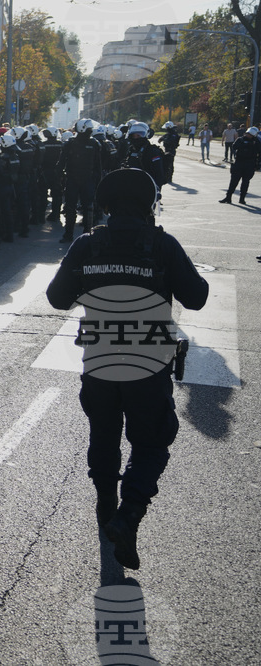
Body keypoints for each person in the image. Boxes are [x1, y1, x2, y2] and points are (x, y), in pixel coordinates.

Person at [46, 168, 209, 570]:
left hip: (99, 363)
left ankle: (108, 515)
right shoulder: (162, 245)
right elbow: (199, 297)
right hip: (148, 365)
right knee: (152, 443)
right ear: (149, 204)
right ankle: (129, 513)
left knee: (103, 440)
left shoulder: (88, 245)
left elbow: (56, 298)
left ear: (105, 204)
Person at [58, 118, 102, 243]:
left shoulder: (93, 144)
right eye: (89, 129)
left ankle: (85, 235)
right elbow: (61, 163)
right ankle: (71, 234)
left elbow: (98, 165)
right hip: (76, 179)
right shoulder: (71, 143)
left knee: (86, 208)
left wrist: (98, 180)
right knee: (72, 208)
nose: (90, 131)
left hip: (83, 179)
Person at [220, 126, 261, 204]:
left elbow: (259, 153)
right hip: (239, 163)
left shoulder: (256, 142)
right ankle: (228, 197)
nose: (248, 135)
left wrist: (258, 165)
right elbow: (234, 147)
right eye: (247, 134)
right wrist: (245, 144)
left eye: (250, 134)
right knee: (233, 182)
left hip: (249, 164)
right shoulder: (240, 139)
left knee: (245, 183)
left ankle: (242, 199)